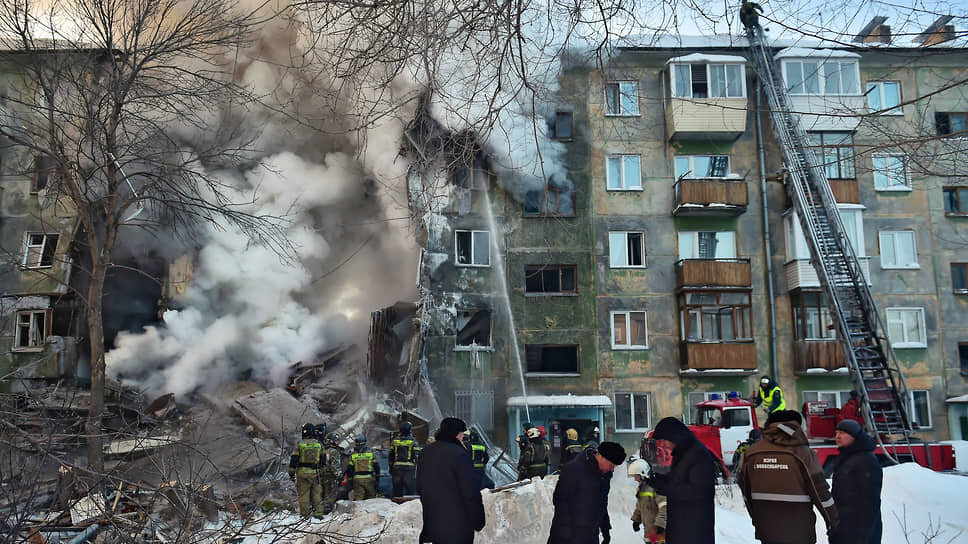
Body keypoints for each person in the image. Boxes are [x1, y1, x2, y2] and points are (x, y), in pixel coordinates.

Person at [738, 410, 839, 544]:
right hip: (799, 532)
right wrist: (834, 522)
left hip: (767, 530)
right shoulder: (803, 454)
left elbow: (745, 491)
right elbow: (820, 492)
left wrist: (757, 519)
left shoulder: (751, 453)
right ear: (796, 426)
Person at [417, 417, 485, 543]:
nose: (462, 438)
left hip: (432, 525)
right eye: (461, 435)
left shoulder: (425, 453)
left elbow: (420, 486)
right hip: (457, 528)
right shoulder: (460, 454)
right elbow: (470, 492)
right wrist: (478, 519)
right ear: (454, 434)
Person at [649, 417, 716, 544]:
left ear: (675, 436)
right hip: (680, 525)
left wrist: (665, 488)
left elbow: (697, 491)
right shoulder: (681, 454)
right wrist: (658, 480)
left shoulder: (699, 455)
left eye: (663, 440)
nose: (662, 445)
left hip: (695, 529)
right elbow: (678, 480)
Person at [547, 441, 626, 544]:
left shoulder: (605, 475)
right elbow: (561, 500)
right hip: (568, 535)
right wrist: (565, 531)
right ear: (601, 457)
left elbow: (602, 502)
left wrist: (605, 528)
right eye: (611, 465)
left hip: (590, 534)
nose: (612, 469)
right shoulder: (574, 469)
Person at [829, 419, 883, 544]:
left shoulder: (866, 460)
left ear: (854, 436)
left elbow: (870, 503)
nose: (837, 436)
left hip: (858, 530)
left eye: (842, 433)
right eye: (836, 433)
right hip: (843, 526)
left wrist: (863, 536)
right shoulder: (846, 457)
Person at [627, 458, 667, 544]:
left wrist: (660, 525)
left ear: (643, 474)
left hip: (659, 532)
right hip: (649, 532)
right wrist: (636, 520)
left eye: (636, 476)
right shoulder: (641, 489)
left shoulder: (656, 487)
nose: (635, 479)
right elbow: (639, 506)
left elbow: (664, 507)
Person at [288, 423, 324, 516]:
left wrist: (291, 473)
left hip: (302, 473)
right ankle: (319, 514)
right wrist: (321, 470)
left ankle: (305, 515)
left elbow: (294, 459)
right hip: (316, 473)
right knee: (317, 495)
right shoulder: (319, 444)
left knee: (304, 495)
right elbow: (323, 460)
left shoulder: (300, 444)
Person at [389, 421, 420, 498]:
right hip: (409, 470)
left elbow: (390, 456)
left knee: (397, 493)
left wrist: (391, 467)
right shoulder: (413, 442)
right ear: (410, 430)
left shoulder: (395, 441)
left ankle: (396, 508)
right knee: (410, 493)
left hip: (396, 470)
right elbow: (417, 457)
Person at [346, 434, 380, 500]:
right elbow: (377, 467)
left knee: (358, 499)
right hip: (369, 479)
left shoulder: (353, 455)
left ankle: (358, 510)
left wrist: (350, 481)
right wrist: (377, 478)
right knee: (371, 499)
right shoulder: (371, 453)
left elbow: (349, 469)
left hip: (357, 480)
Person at [314, 423, 339, 513]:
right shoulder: (333, 451)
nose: (337, 443)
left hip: (321, 474)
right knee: (330, 493)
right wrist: (339, 475)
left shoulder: (323, 449)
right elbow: (334, 465)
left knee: (322, 492)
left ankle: (319, 508)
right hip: (329, 475)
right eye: (336, 441)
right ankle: (327, 509)